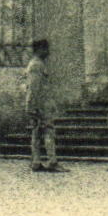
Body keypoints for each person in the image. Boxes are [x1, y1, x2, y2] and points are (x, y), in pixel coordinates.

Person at [26, 38, 63, 172]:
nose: (48, 52)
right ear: (40, 50)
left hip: (38, 104)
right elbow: (34, 88)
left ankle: (36, 162)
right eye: (46, 49)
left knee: (36, 133)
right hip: (40, 105)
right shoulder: (37, 65)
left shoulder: (37, 64)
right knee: (48, 131)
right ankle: (52, 161)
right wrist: (35, 107)